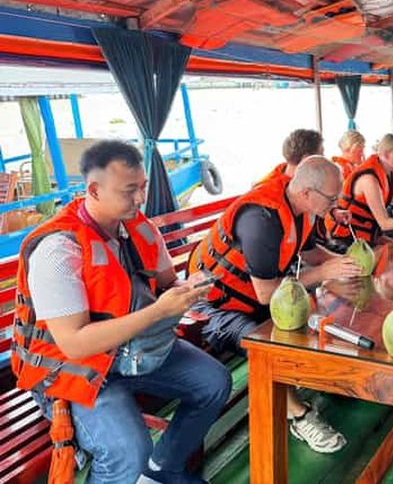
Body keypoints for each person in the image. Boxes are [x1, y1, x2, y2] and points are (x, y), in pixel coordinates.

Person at [12, 140, 231, 484]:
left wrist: (188, 288)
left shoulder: (141, 228)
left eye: (143, 187)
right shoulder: (59, 250)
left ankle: (163, 469)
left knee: (214, 382)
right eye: (129, 191)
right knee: (128, 450)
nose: (141, 198)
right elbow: (75, 344)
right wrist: (158, 312)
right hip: (73, 369)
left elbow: (168, 282)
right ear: (94, 190)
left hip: (133, 350)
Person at [190, 156, 361, 453]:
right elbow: (267, 294)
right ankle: (299, 414)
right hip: (216, 305)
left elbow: (311, 254)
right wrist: (324, 273)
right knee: (264, 344)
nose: (336, 205)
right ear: (307, 192)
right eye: (332, 198)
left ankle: (324, 377)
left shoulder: (303, 209)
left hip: (258, 295)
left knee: (322, 315)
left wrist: (347, 263)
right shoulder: (262, 220)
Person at [257, 129, 323, 183]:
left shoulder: (283, 171)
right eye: (321, 154)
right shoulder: (269, 191)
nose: (324, 158)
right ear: (306, 159)